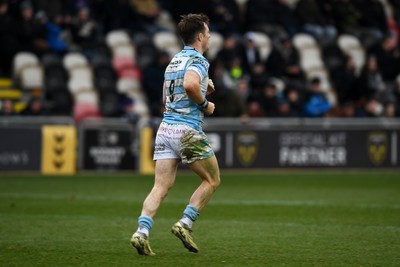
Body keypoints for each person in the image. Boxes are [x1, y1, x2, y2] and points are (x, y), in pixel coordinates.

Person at [130, 13, 221, 256]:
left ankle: (141, 232)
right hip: (187, 130)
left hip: (165, 129)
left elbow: (169, 98)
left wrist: (204, 90)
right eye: (208, 32)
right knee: (212, 179)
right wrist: (206, 105)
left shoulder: (174, 61)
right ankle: (185, 224)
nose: (210, 36)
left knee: (160, 186)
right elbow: (190, 86)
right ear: (200, 36)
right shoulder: (199, 61)